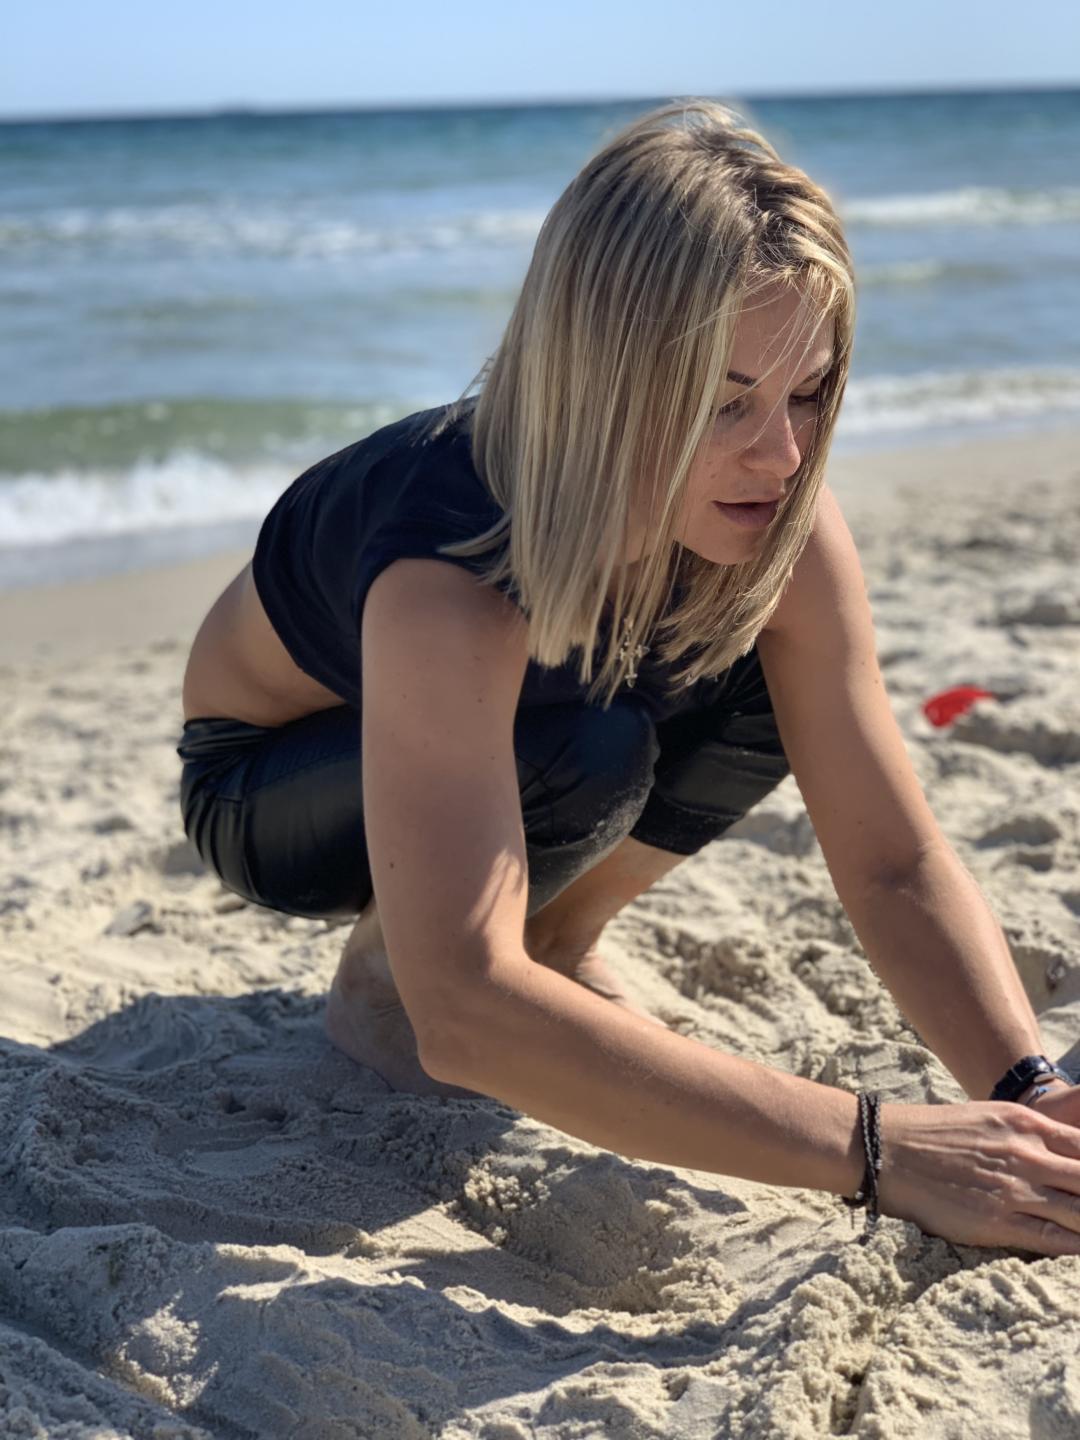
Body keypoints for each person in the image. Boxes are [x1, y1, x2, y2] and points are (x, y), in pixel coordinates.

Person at [177, 100, 1080, 1257]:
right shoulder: (450, 565)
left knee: (752, 673)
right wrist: (884, 1151)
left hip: (530, 719)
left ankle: (552, 936)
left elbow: (892, 859)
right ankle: (383, 973)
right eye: (726, 401)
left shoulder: (780, 520)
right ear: (606, 376)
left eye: (807, 392)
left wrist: (1029, 1094)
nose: (782, 454)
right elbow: (465, 1016)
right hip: (277, 780)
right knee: (579, 754)